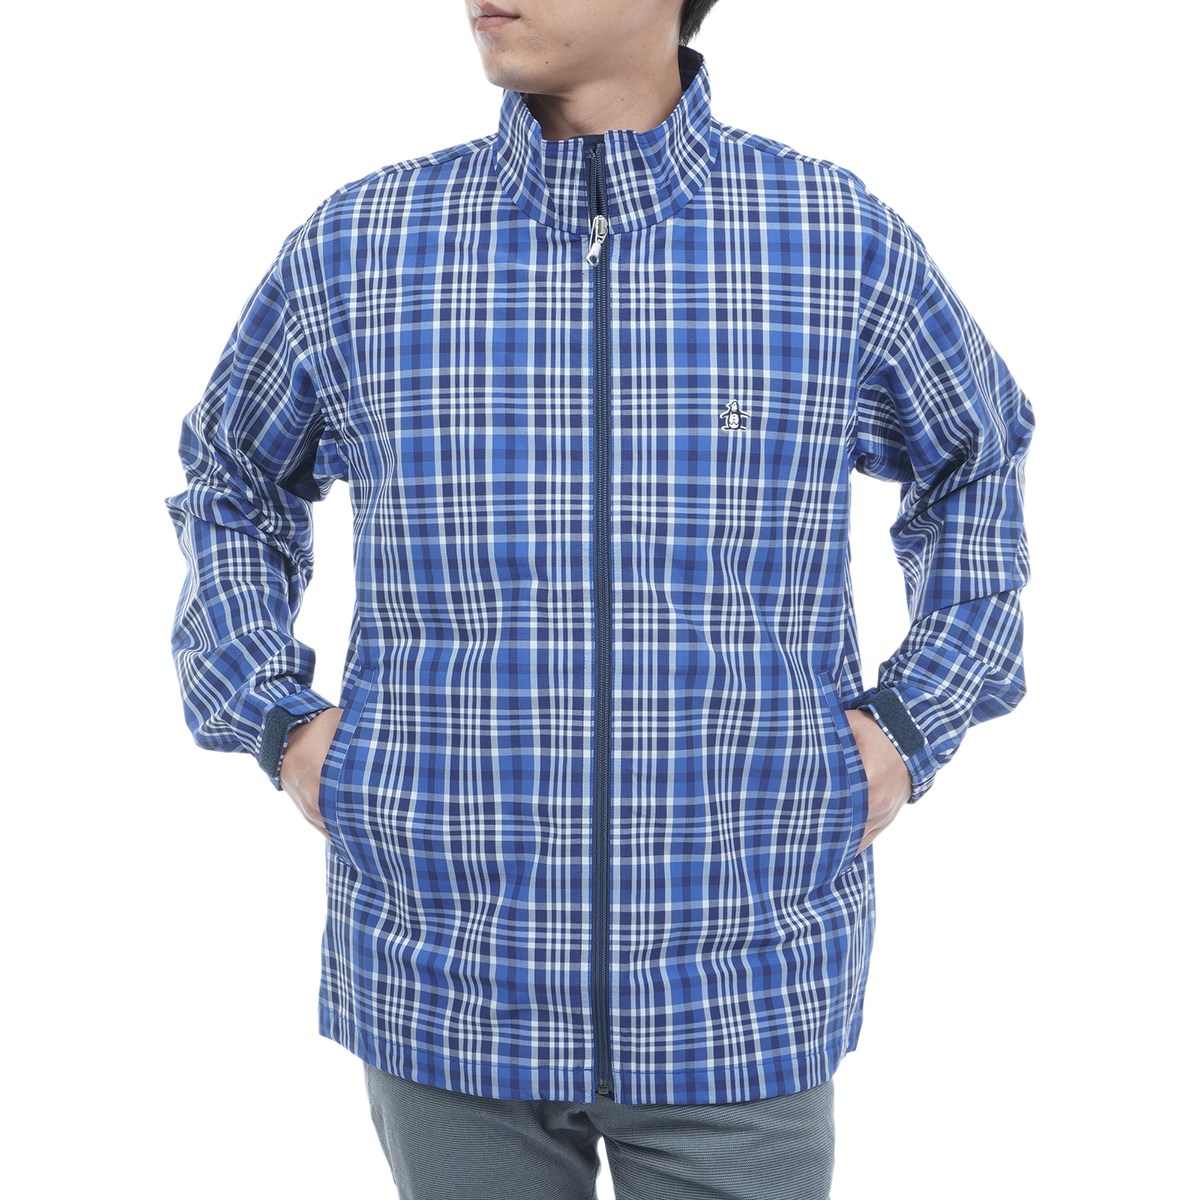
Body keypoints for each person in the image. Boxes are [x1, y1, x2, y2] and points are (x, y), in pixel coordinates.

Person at [164, 1, 1033, 1196]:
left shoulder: (829, 239)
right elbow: (232, 481)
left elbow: (975, 456)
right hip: (443, 972)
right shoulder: (364, 244)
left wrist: (911, 721)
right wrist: (277, 718)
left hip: (743, 976)